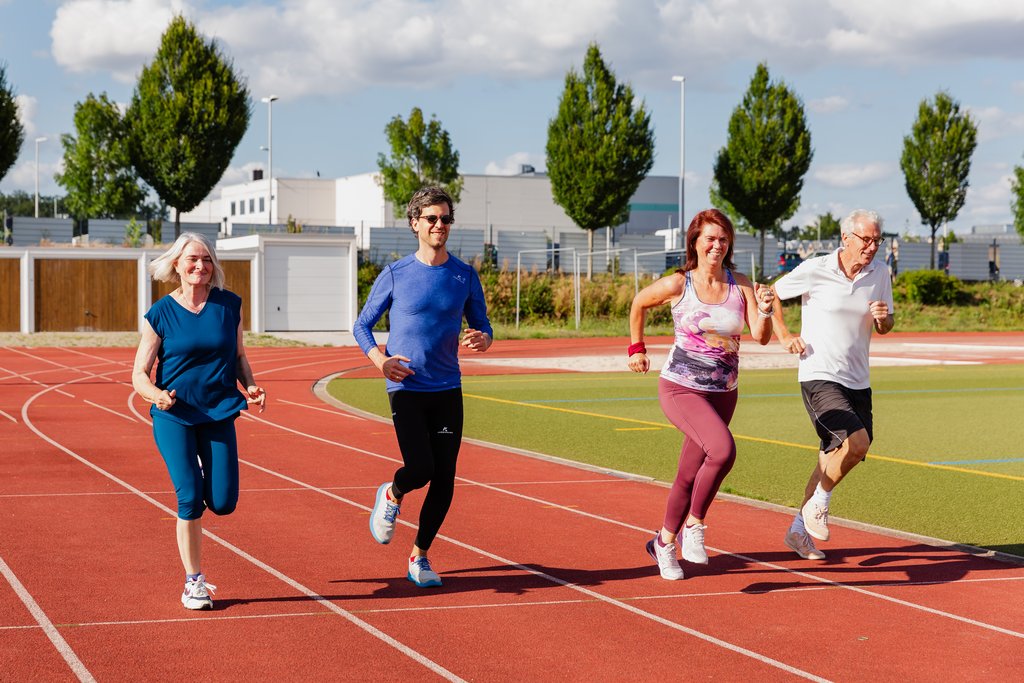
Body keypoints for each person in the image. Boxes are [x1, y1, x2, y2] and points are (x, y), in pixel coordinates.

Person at [355, 186, 493, 588]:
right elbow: (362, 325)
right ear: (415, 223)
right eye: (431, 218)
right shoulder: (396, 273)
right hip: (408, 387)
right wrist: (380, 361)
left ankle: (420, 556)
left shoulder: (464, 275)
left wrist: (483, 338)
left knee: (445, 478)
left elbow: (483, 325)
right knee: (421, 468)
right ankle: (393, 494)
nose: (439, 225)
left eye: (446, 219)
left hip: (447, 387)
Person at [628, 208, 774, 580]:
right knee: (723, 450)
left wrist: (768, 312)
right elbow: (639, 303)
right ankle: (695, 525)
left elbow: (760, 335)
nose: (717, 245)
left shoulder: (740, 284)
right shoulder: (680, 284)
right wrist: (637, 348)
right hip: (681, 387)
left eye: (723, 239)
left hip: (724, 392)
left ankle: (663, 542)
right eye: (710, 238)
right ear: (695, 241)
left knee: (688, 474)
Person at [132, 232, 266, 609]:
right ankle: (194, 582)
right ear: (177, 264)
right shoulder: (160, 313)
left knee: (222, 502)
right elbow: (139, 373)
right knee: (190, 497)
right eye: (192, 259)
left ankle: (206, 475)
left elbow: (239, 356)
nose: (200, 266)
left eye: (206, 259)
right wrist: (156, 395)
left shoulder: (229, 306)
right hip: (174, 415)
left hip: (219, 410)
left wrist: (251, 386)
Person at [770, 209, 894, 561]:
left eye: (877, 240)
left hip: (859, 379)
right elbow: (772, 294)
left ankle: (798, 531)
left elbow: (885, 325)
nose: (872, 247)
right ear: (846, 238)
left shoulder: (880, 272)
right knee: (858, 442)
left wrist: (884, 320)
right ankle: (820, 503)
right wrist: (783, 334)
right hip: (819, 373)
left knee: (837, 456)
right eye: (866, 240)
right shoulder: (816, 269)